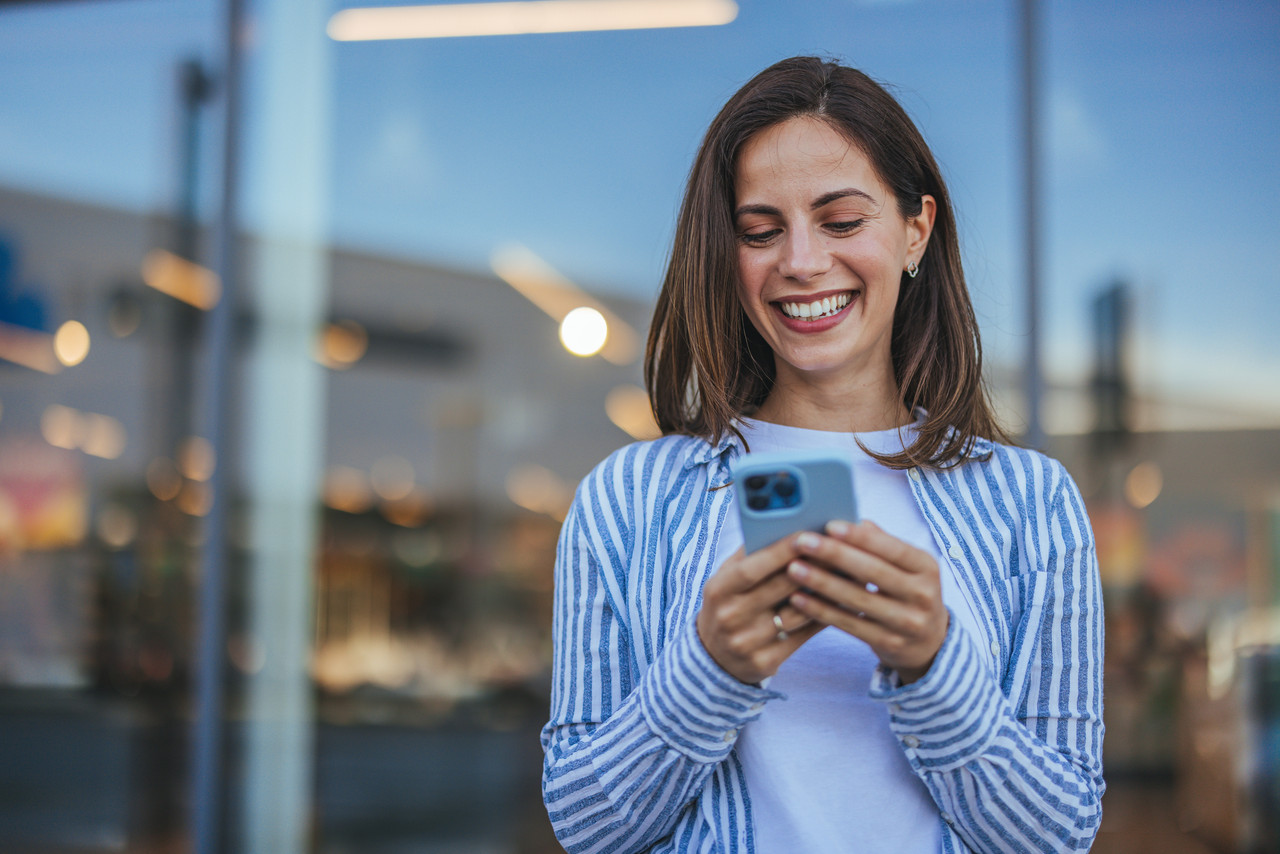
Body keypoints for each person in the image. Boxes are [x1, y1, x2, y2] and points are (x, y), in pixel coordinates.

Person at [540, 56, 1104, 854]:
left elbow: (1059, 835)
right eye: (760, 231)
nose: (801, 262)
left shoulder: (1030, 503)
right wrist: (710, 670)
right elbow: (586, 828)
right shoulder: (627, 500)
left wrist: (933, 668)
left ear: (917, 230)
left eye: (841, 222)